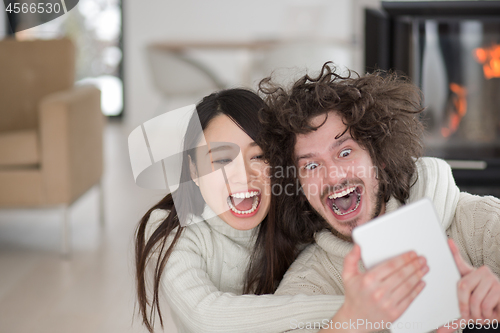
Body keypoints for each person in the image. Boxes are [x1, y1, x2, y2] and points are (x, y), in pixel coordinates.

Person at [258, 63, 500, 332]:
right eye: (311, 166)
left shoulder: (478, 223)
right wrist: (348, 324)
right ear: (299, 187)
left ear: (380, 159)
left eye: (345, 152)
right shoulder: (307, 284)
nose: (334, 176)